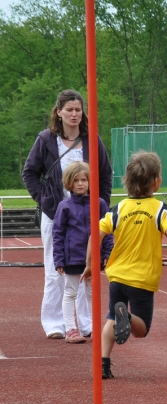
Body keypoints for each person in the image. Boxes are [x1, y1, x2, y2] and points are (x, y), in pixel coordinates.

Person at [81, 151, 167, 379]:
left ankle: (103, 362)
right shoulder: (159, 209)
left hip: (117, 276)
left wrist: (91, 265)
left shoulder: (118, 209)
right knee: (141, 330)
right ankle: (128, 318)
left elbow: (95, 235)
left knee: (111, 317)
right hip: (142, 279)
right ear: (156, 182)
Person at [22, 89, 113, 340]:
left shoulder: (92, 140)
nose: (74, 114)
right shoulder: (45, 140)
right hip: (56, 216)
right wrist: (46, 200)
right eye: (69, 110)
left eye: (78, 109)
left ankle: (86, 323)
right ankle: (55, 323)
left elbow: (105, 175)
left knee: (87, 268)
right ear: (59, 112)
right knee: (55, 269)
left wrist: (100, 205)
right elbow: (29, 173)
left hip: (85, 217)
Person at [52, 161, 113, 344]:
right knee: (70, 292)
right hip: (72, 258)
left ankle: (95, 327)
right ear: (69, 183)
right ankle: (70, 329)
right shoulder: (65, 206)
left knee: (91, 293)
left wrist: (107, 252)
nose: (80, 184)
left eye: (84, 180)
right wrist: (59, 259)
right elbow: (57, 234)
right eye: (76, 180)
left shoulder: (100, 204)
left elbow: (107, 229)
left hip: (94, 257)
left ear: (90, 181)